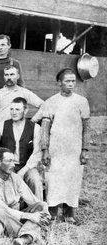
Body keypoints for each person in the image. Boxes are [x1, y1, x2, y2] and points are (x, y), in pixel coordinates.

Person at [41, 68, 91, 222]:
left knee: (73, 179)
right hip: (56, 148)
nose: (71, 84)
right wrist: (45, 150)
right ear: (59, 83)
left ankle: (70, 214)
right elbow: (45, 128)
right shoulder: (51, 102)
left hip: (74, 149)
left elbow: (86, 128)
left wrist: (85, 149)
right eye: (67, 81)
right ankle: (53, 213)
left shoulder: (81, 101)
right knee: (53, 179)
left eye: (73, 81)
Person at [0, 148, 50, 245]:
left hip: (17, 216)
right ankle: (29, 235)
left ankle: (24, 237)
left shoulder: (15, 178)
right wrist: (29, 216)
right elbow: (1, 208)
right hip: (0, 217)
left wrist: (40, 213)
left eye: (13, 161)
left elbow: (32, 200)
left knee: (42, 205)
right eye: (9, 161)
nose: (13, 165)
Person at [0, 97, 43, 200]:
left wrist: (23, 170)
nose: (14, 112)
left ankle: (40, 211)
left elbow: (37, 153)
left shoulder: (35, 128)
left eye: (17, 109)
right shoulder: (2, 126)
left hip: (27, 166)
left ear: (25, 110)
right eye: (11, 109)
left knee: (35, 180)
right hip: (6, 165)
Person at [0, 65, 43, 130]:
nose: (9, 77)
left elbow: (44, 105)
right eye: (6, 75)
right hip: (1, 130)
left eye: (12, 74)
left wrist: (33, 120)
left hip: (18, 131)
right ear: (4, 77)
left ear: (18, 76)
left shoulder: (24, 92)